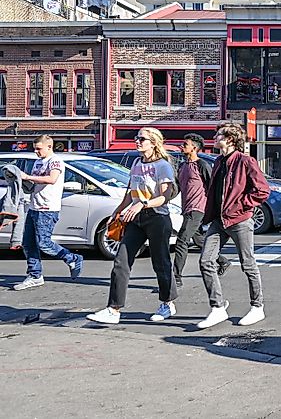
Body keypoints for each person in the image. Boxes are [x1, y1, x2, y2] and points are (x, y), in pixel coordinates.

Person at [87, 128, 176, 323]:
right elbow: (130, 192)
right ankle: (114, 309)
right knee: (121, 261)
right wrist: (117, 211)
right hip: (135, 218)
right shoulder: (136, 163)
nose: (137, 141)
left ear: (153, 143)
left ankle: (167, 303)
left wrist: (143, 205)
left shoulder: (163, 166)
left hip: (156, 217)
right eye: (137, 138)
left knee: (160, 262)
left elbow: (164, 197)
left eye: (142, 139)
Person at [197, 122, 270, 329]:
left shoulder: (246, 161)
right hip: (219, 220)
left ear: (229, 139)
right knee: (206, 261)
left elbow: (262, 190)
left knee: (248, 264)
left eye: (219, 134)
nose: (215, 136)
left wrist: (242, 205)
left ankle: (257, 306)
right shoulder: (219, 161)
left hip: (239, 220)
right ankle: (218, 307)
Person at [13, 135, 84, 291]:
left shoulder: (55, 161)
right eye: (35, 148)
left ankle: (72, 258)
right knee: (28, 243)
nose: (36, 151)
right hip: (34, 206)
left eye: (39, 148)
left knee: (44, 243)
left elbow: (52, 179)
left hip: (47, 208)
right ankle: (35, 275)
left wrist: (27, 176)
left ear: (49, 147)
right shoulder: (38, 161)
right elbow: (35, 182)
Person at [173, 133, 230, 288]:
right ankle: (222, 261)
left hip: (198, 208)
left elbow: (213, 186)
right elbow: (178, 188)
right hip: (186, 208)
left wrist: (216, 208)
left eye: (186, 144)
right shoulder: (182, 166)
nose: (182, 146)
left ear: (195, 148)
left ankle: (175, 278)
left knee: (182, 240)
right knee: (199, 239)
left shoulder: (202, 165)